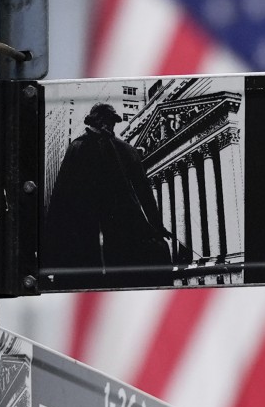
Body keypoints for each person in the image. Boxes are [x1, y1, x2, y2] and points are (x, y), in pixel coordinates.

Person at [43, 103, 173, 285]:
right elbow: (61, 195)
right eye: (107, 121)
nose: (110, 126)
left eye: (112, 122)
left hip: (120, 223)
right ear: (97, 120)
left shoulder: (126, 150)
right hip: (86, 225)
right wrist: (53, 237)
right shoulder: (78, 147)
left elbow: (144, 192)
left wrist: (157, 225)